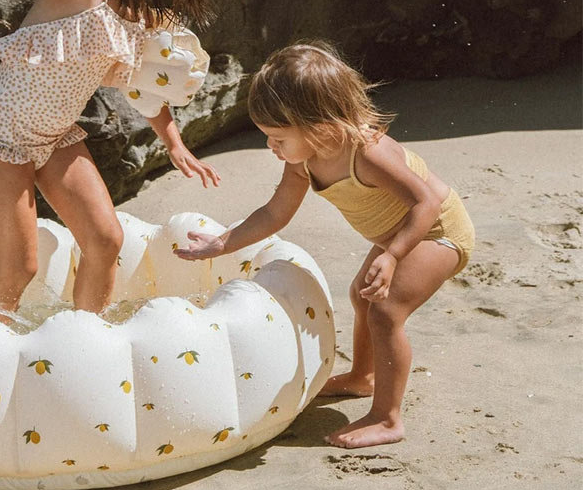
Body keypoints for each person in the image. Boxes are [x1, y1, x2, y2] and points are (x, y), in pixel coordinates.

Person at [174, 42, 475, 449]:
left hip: (436, 230)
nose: (271, 146)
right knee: (362, 297)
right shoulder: (303, 159)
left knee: (385, 312)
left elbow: (426, 203)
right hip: (396, 234)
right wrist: (222, 243)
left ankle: (387, 419)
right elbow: (275, 212)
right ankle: (363, 378)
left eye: (278, 137)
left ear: (319, 125)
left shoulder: (367, 154)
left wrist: (392, 255)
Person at [0, 0, 219, 324]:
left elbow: (143, 85)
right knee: (20, 265)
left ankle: (86, 340)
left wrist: (175, 144)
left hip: (56, 137)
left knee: (106, 240)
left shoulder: (139, 11)